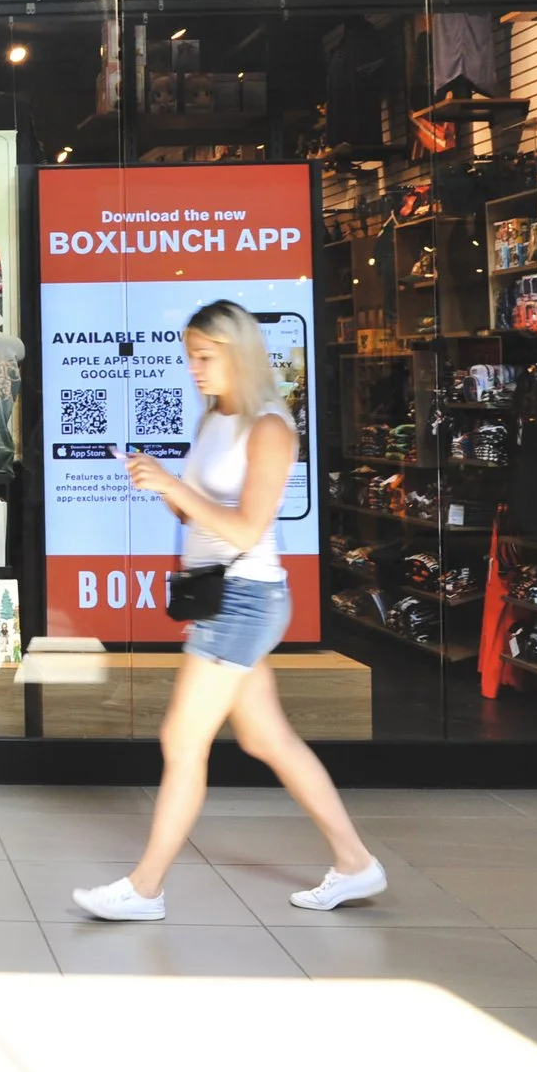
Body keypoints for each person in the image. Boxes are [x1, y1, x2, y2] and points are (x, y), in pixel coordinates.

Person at [74, 300, 385, 920]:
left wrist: (174, 487)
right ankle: (356, 864)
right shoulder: (217, 416)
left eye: (204, 356)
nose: (192, 368)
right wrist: (161, 483)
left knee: (181, 739)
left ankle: (145, 888)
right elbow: (199, 515)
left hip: (245, 599)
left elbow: (246, 531)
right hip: (226, 594)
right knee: (268, 739)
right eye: (188, 355)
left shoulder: (270, 428)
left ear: (237, 354)